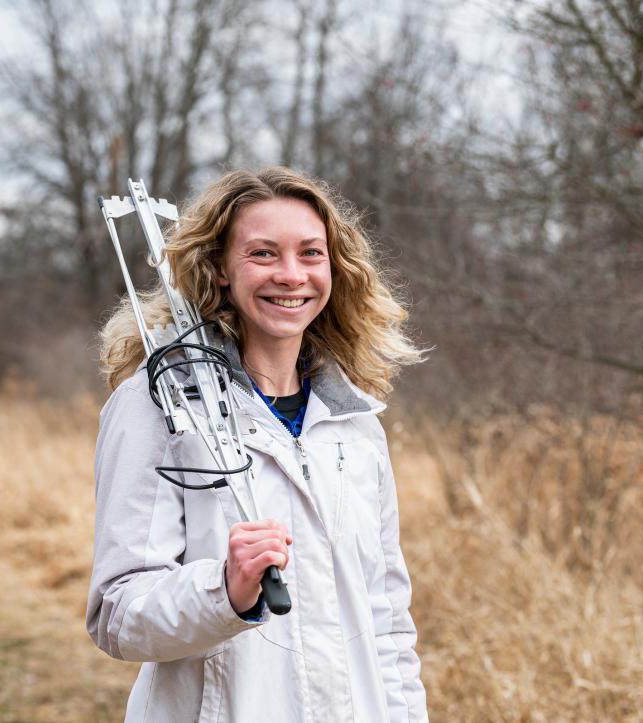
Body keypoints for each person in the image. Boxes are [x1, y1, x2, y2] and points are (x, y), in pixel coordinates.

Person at [87, 167, 428, 722]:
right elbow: (118, 615)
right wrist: (226, 589)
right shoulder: (158, 404)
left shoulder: (355, 423)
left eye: (311, 254)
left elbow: (387, 621)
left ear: (334, 269)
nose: (292, 275)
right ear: (220, 269)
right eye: (264, 254)